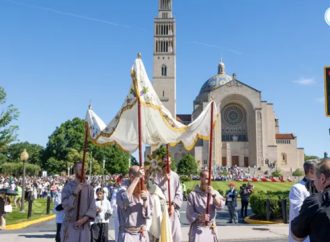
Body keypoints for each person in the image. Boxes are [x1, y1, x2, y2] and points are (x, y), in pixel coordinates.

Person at [291, 159, 330, 242]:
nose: (314, 184)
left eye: (315, 179)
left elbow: (297, 235)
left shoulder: (315, 202)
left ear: (322, 179)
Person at [61, 161, 97, 242]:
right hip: (71, 225)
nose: (83, 171)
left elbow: (92, 207)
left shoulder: (89, 188)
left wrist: (84, 219)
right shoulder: (68, 187)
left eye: (85, 169)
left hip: (84, 227)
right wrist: (75, 192)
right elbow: (65, 205)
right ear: (75, 170)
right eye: (80, 169)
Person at [186, 170, 225, 242]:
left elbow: (220, 205)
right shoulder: (193, 195)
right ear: (201, 178)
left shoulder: (214, 192)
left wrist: (213, 195)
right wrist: (200, 216)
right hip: (197, 229)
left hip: (210, 229)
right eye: (207, 178)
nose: (209, 181)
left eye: (211, 178)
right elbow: (189, 214)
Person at [117, 166, 152, 242]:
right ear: (131, 176)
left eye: (142, 176)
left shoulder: (144, 191)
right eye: (140, 176)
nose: (142, 179)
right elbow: (125, 200)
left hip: (141, 234)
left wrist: (145, 200)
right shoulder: (122, 190)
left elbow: (148, 214)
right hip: (127, 235)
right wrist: (137, 178)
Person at [153, 157, 182, 242]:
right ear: (162, 162)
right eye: (165, 161)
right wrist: (164, 180)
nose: (167, 163)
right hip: (160, 209)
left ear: (171, 162)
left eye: (168, 161)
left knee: (176, 235)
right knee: (162, 235)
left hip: (172, 208)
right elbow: (153, 191)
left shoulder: (175, 176)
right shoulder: (156, 176)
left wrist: (173, 205)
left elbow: (179, 193)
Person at [288, 160, 317, 242]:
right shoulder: (297, 188)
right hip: (302, 237)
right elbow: (298, 212)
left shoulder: (319, 187)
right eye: (319, 171)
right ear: (311, 171)